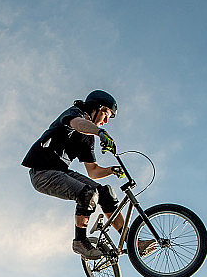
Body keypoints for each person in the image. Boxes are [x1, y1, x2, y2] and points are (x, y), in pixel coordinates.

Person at [22, 90, 154, 259]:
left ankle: (131, 240)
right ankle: (80, 241)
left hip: (62, 172)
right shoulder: (74, 113)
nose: (106, 121)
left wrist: (111, 170)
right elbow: (77, 124)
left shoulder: (87, 138)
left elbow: (93, 171)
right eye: (106, 114)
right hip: (42, 173)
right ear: (96, 108)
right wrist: (100, 133)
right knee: (88, 194)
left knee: (106, 193)